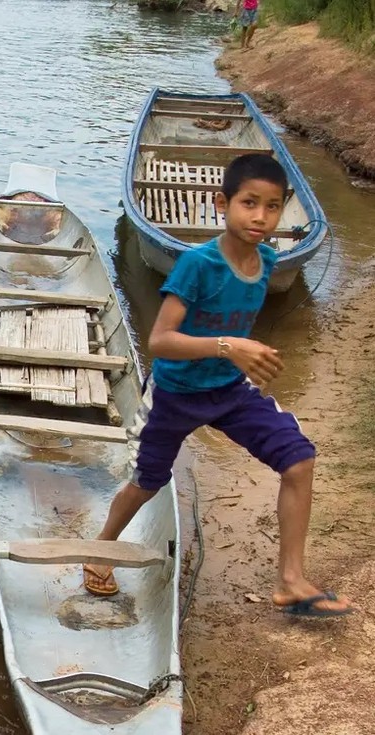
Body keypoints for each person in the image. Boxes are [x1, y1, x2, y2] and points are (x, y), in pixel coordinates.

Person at [82, 153, 354, 618]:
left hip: (229, 392)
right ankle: (101, 549)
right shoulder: (197, 265)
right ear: (221, 203)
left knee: (299, 460)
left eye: (272, 207)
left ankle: (291, 579)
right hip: (174, 396)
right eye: (249, 203)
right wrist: (231, 346)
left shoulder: (267, 261)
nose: (260, 217)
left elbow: (234, 320)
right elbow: (161, 341)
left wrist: (249, 355)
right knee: (147, 482)